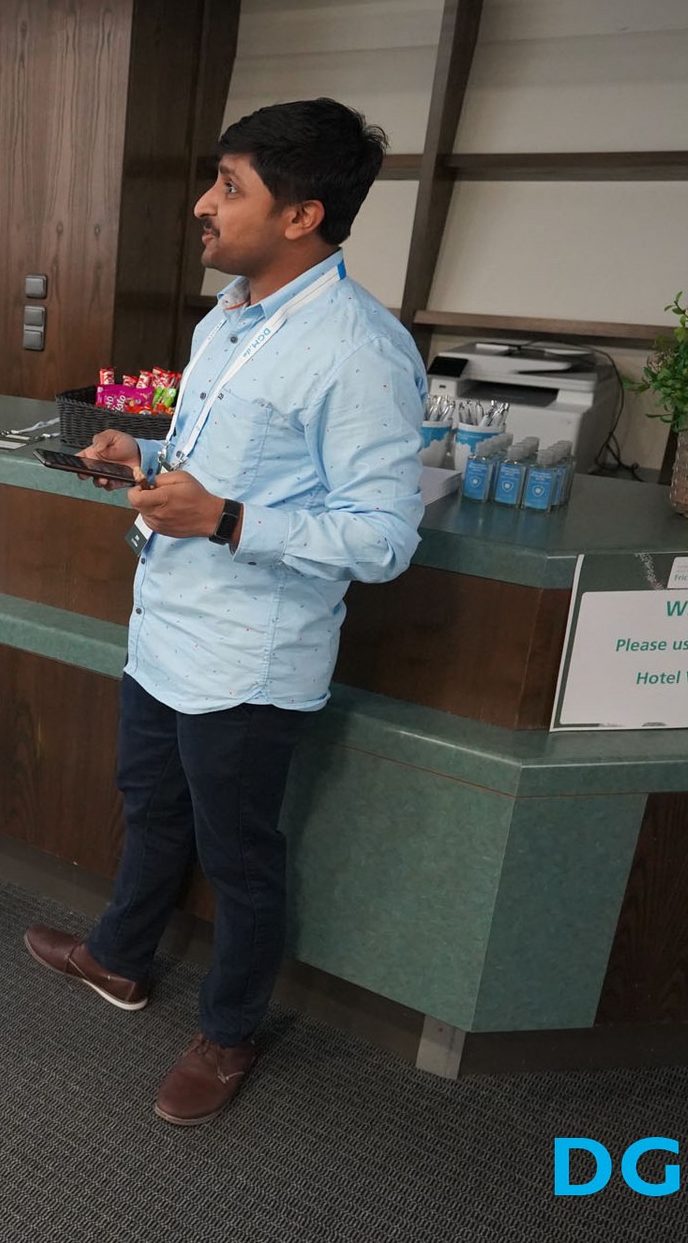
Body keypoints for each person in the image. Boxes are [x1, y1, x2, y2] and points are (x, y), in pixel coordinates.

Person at [24, 98, 424, 1123]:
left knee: (241, 858)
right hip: (165, 626)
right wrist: (146, 455)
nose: (203, 203)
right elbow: (222, 463)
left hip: (251, 658)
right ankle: (120, 957)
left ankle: (231, 1029)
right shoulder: (229, 319)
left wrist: (229, 518)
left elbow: (384, 538)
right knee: (151, 807)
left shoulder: (361, 350)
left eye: (229, 186)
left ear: (302, 214)